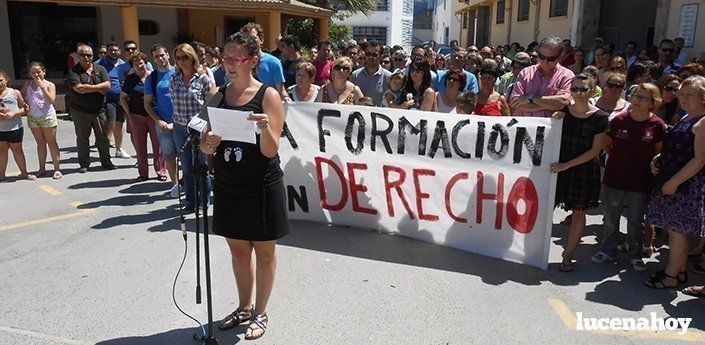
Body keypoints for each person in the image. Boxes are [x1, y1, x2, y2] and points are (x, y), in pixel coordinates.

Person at [202, 31, 290, 341]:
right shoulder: (217, 94)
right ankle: (244, 306)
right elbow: (205, 143)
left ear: (252, 61)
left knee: (264, 251)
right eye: (224, 57)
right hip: (228, 184)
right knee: (238, 251)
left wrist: (265, 128)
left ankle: (260, 312)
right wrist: (208, 143)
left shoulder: (268, 96)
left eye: (234, 58)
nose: (227, 63)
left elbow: (270, 149)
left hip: (260, 184)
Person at [591, 83, 666, 271]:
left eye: (643, 97)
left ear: (653, 102)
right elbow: (607, 145)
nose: (637, 100)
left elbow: (659, 153)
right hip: (614, 178)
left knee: (635, 220)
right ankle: (607, 250)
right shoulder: (619, 120)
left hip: (640, 182)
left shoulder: (657, 125)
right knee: (611, 216)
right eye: (635, 95)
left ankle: (635, 254)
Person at [644, 75, 705, 289]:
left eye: (690, 94)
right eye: (681, 94)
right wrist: (657, 159)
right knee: (675, 231)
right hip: (676, 181)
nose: (683, 98)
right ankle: (677, 272)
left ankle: (670, 277)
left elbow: (700, 159)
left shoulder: (703, 121)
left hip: (687, 185)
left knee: (677, 232)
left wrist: (674, 183)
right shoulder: (686, 117)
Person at [550, 74, 609, 272]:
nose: (578, 93)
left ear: (593, 90)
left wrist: (567, 165)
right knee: (546, 208)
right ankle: (536, 250)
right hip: (560, 167)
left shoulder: (600, 117)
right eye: (574, 89)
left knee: (578, 214)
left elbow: (595, 151)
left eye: (583, 89)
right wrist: (555, 121)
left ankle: (568, 255)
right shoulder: (563, 112)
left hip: (582, 170)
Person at [170, 43, 217, 213]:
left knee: (201, 165)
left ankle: (204, 200)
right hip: (179, 127)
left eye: (185, 57)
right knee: (186, 166)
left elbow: (210, 104)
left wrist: (204, 125)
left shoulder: (203, 78)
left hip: (198, 128)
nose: (181, 61)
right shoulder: (173, 78)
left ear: (192, 58)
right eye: (178, 58)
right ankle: (190, 200)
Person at [67, 44, 114, 173]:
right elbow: (79, 89)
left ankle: (106, 162)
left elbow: (108, 85)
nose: (86, 57)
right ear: (78, 56)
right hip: (80, 111)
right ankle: (84, 164)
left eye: (89, 55)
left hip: (99, 110)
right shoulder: (73, 71)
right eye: (83, 55)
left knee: (103, 138)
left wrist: (88, 87)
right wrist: (99, 88)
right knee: (82, 139)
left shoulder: (101, 69)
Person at [120, 51, 166, 182]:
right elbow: (122, 97)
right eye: (136, 64)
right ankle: (143, 173)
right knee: (140, 146)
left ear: (145, 63)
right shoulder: (130, 79)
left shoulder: (154, 77)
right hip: (136, 116)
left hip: (154, 115)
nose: (139, 66)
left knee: (158, 146)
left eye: (141, 63)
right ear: (132, 66)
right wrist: (129, 113)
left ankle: (161, 171)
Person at [144, 44, 180, 197]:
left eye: (162, 55)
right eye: (156, 56)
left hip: (182, 122)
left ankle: (191, 186)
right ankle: (176, 185)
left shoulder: (179, 72)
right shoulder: (151, 79)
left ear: (168, 55)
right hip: (164, 124)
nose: (160, 58)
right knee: (169, 155)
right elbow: (147, 103)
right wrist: (158, 121)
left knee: (188, 157)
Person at [510, 37, 574, 117]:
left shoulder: (567, 76)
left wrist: (530, 98)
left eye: (550, 59)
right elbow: (515, 103)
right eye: (541, 56)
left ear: (560, 57)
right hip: (524, 126)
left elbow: (563, 102)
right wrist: (552, 101)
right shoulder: (525, 73)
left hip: (551, 128)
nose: (545, 61)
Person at [20, 62, 61, 179]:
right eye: (33, 73)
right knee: (40, 143)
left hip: (47, 117)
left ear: (44, 71)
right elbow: (20, 94)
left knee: (51, 142)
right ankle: (42, 168)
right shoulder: (28, 84)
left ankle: (57, 169)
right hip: (33, 118)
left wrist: (42, 87)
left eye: (38, 72)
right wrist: (24, 103)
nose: (36, 75)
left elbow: (52, 99)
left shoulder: (49, 85)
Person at [238, 23, 291, 100]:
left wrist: (287, 99)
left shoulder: (273, 62)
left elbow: (281, 90)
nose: (250, 42)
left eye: (254, 38)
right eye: (247, 39)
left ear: (261, 40)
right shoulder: (239, 62)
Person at [97, 42, 131, 159]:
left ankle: (119, 149)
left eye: (115, 50)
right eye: (110, 50)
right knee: (110, 122)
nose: (113, 52)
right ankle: (104, 149)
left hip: (122, 98)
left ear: (119, 51)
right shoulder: (101, 64)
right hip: (108, 99)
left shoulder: (124, 65)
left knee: (120, 124)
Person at [0, 69, 35, 181]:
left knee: (17, 150)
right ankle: (1, 174)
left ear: (6, 80)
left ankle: (24, 172)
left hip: (15, 128)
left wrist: (14, 113)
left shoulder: (15, 93)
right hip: (1, 129)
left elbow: (25, 109)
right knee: (2, 151)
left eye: (1, 80)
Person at [349, 40, 392, 106]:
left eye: (374, 55)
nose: (371, 57)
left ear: (381, 56)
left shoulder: (389, 77)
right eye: (368, 54)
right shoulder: (355, 75)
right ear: (365, 55)